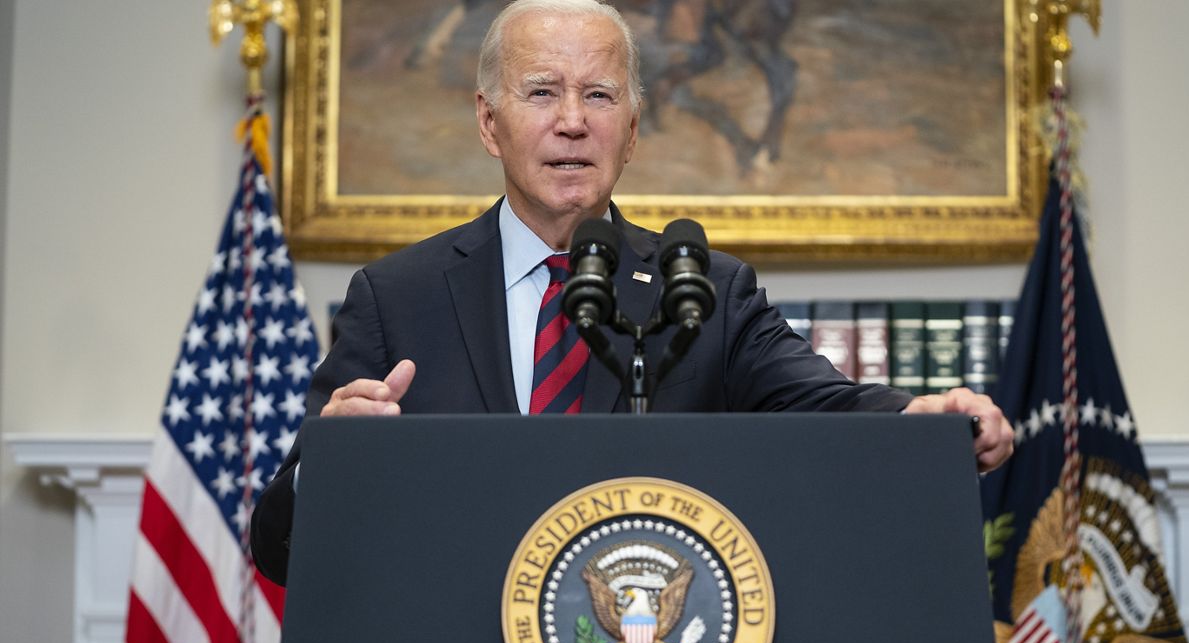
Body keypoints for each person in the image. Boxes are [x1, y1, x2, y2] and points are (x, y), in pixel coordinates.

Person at [250, 0, 1014, 586]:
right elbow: (280, 547)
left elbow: (822, 403)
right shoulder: (395, 298)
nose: (573, 123)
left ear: (635, 130)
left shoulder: (705, 290)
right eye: (543, 92)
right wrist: (333, 454)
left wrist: (922, 417)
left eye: (601, 97)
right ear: (490, 122)